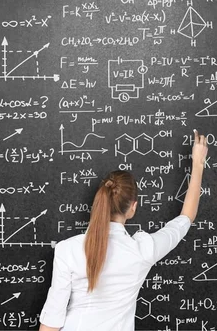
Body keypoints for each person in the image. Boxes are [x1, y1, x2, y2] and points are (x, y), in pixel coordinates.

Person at [39, 129, 208, 331]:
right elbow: (185, 218)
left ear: (99, 202)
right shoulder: (143, 250)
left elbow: (51, 322)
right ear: (133, 208)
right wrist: (198, 164)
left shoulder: (67, 250)